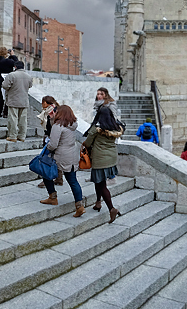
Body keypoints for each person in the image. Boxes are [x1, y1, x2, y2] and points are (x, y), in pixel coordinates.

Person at [85, 94, 125, 223]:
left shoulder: (96, 128)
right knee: (99, 181)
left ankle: (112, 208)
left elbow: (87, 143)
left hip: (100, 159)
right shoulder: (115, 126)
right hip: (111, 158)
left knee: (101, 185)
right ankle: (98, 202)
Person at [41, 104, 85, 215]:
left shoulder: (58, 126)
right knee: (73, 181)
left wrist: (47, 147)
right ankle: (79, 206)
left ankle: (52, 197)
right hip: (72, 155)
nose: (54, 112)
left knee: (46, 174)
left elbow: (53, 144)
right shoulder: (72, 125)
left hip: (61, 156)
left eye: (55, 111)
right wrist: (51, 118)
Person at [2, 59, 33, 143]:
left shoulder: (12, 75)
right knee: (23, 120)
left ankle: (13, 136)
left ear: (15, 67)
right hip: (24, 101)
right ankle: (22, 136)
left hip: (13, 100)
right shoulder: (29, 76)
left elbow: (5, 86)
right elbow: (30, 86)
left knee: (13, 118)